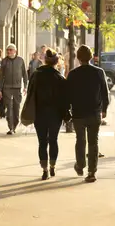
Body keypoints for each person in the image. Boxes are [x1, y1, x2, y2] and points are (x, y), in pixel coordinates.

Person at [67, 45, 110, 183]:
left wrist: (67, 110)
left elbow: (67, 95)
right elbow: (105, 92)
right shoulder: (99, 72)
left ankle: (80, 165)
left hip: (78, 113)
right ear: (91, 57)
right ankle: (92, 171)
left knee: (80, 140)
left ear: (78, 58)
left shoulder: (73, 74)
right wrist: (104, 109)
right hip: (94, 112)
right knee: (93, 142)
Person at [26, 48, 69, 180]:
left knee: (42, 141)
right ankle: (52, 166)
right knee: (53, 140)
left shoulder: (36, 75)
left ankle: (44, 169)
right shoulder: (59, 78)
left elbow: (30, 94)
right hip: (55, 114)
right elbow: (64, 99)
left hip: (39, 112)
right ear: (57, 62)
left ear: (45, 60)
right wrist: (65, 114)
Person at [0, 44, 28, 135]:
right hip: (6, 88)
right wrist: (0, 89)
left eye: (11, 50)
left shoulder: (20, 60)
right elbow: (1, 77)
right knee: (9, 108)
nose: (9, 52)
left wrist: (26, 86)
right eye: (8, 50)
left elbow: (24, 74)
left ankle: (14, 125)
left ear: (15, 51)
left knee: (16, 108)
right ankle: (10, 127)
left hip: (17, 88)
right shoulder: (4, 61)